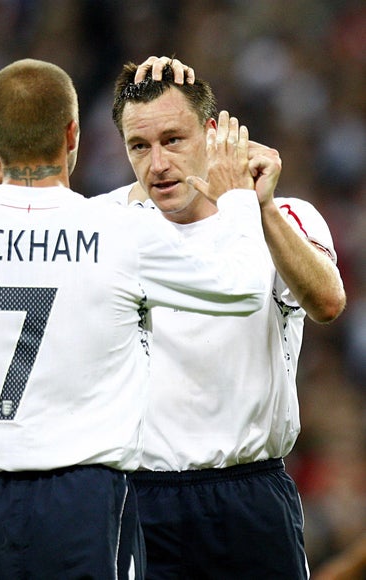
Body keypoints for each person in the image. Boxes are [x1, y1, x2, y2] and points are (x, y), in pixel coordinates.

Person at [0, 58, 273, 579]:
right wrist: (240, 202)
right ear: (73, 135)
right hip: (83, 504)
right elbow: (245, 288)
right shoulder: (117, 231)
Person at [108, 57, 347, 579]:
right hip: (146, 499)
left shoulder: (287, 216)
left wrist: (255, 206)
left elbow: (328, 302)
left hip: (252, 494)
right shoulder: (111, 229)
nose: (158, 164)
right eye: (139, 146)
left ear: (214, 135)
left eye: (174, 139)